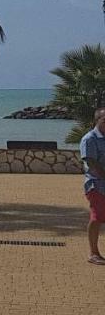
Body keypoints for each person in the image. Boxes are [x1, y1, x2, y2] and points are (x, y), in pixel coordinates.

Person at [80, 107, 105, 265]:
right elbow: (91, 162)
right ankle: (93, 253)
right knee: (96, 217)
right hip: (96, 185)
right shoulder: (89, 139)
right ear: (97, 121)